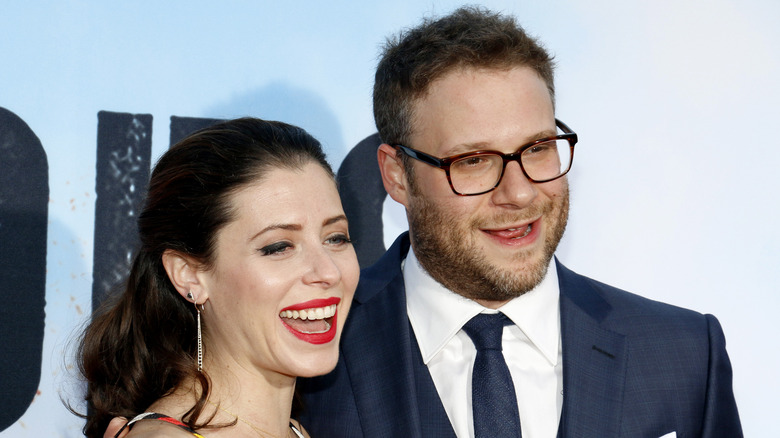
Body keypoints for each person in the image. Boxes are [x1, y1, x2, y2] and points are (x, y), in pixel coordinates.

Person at [296, 6, 742, 438]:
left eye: (537, 148)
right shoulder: (305, 357)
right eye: (473, 161)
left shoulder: (683, 354)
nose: (521, 192)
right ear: (397, 176)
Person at [78, 117, 359, 437]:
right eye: (279, 247)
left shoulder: (293, 431)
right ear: (189, 275)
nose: (328, 271)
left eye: (336, 238)